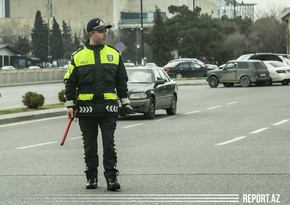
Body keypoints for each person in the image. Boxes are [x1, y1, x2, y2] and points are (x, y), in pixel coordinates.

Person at [63, 18, 132, 191]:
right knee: (89, 146)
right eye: (101, 31)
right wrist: (70, 105)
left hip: (108, 109)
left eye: (105, 30)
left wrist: (125, 102)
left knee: (109, 144)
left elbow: (121, 81)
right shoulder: (78, 56)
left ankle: (111, 178)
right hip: (86, 111)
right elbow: (70, 82)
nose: (105, 34)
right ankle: (91, 177)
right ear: (91, 34)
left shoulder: (114, 54)